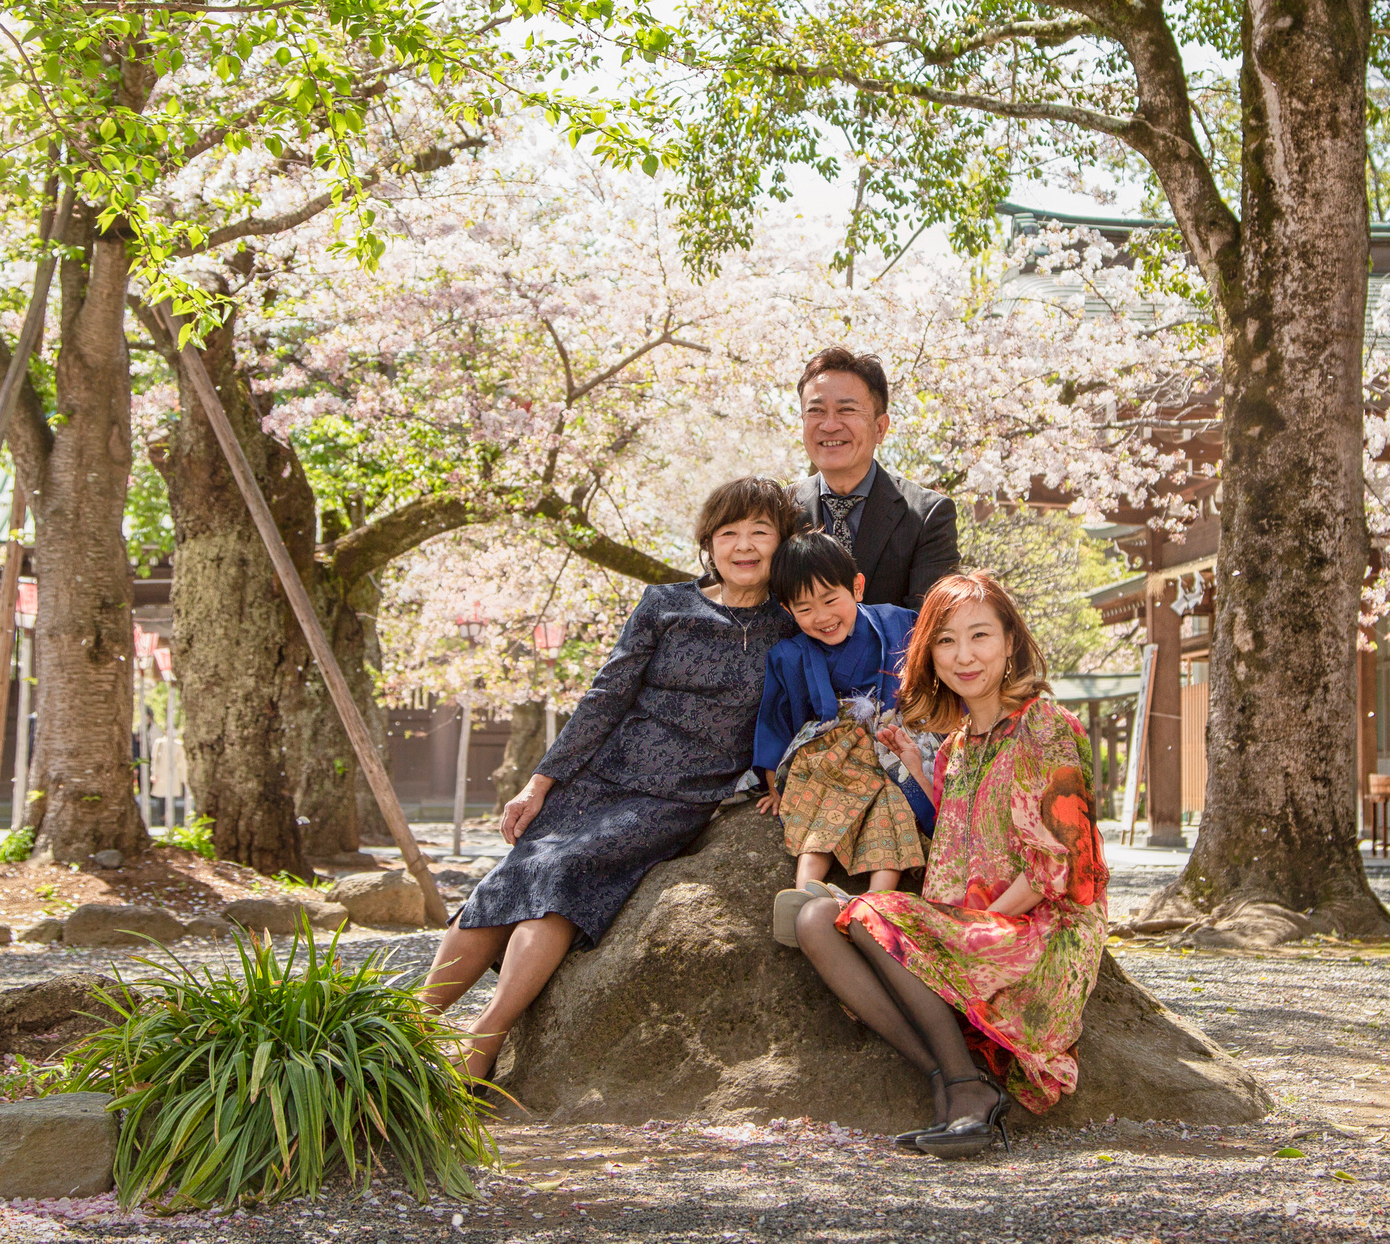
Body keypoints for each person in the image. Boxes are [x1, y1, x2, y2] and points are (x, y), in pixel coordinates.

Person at [420, 477, 800, 1080]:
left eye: (761, 531)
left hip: (676, 795)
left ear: (784, 541)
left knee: (562, 870)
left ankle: (483, 1038)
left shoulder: (792, 625)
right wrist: (540, 783)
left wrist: (784, 777)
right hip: (602, 775)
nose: (744, 546)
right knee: (513, 872)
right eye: (729, 532)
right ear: (709, 542)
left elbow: (796, 712)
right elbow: (606, 696)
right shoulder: (666, 604)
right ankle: (402, 1028)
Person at [790, 572, 1107, 1158]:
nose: (964, 656)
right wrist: (917, 770)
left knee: (866, 917)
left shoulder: (1047, 727)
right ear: (928, 652)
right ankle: (957, 1080)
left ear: (1010, 641)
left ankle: (964, 1090)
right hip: (968, 922)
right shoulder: (958, 747)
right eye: (945, 641)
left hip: (1037, 929)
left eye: (980, 636)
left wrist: (959, 932)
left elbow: (1060, 865)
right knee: (816, 923)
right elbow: (966, 833)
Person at [752, 531, 938, 946]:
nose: (821, 616)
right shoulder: (789, 655)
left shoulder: (899, 624)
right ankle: (802, 895)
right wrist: (772, 783)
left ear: (857, 586)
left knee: (894, 809)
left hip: (890, 743)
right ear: (787, 609)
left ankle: (877, 904)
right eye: (804, 607)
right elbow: (775, 720)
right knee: (822, 799)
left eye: (830, 600)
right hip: (830, 750)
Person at [790, 347, 959, 610]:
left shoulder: (927, 516)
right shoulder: (779, 509)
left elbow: (927, 624)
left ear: (880, 428)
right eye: (816, 411)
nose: (829, 425)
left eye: (846, 410)